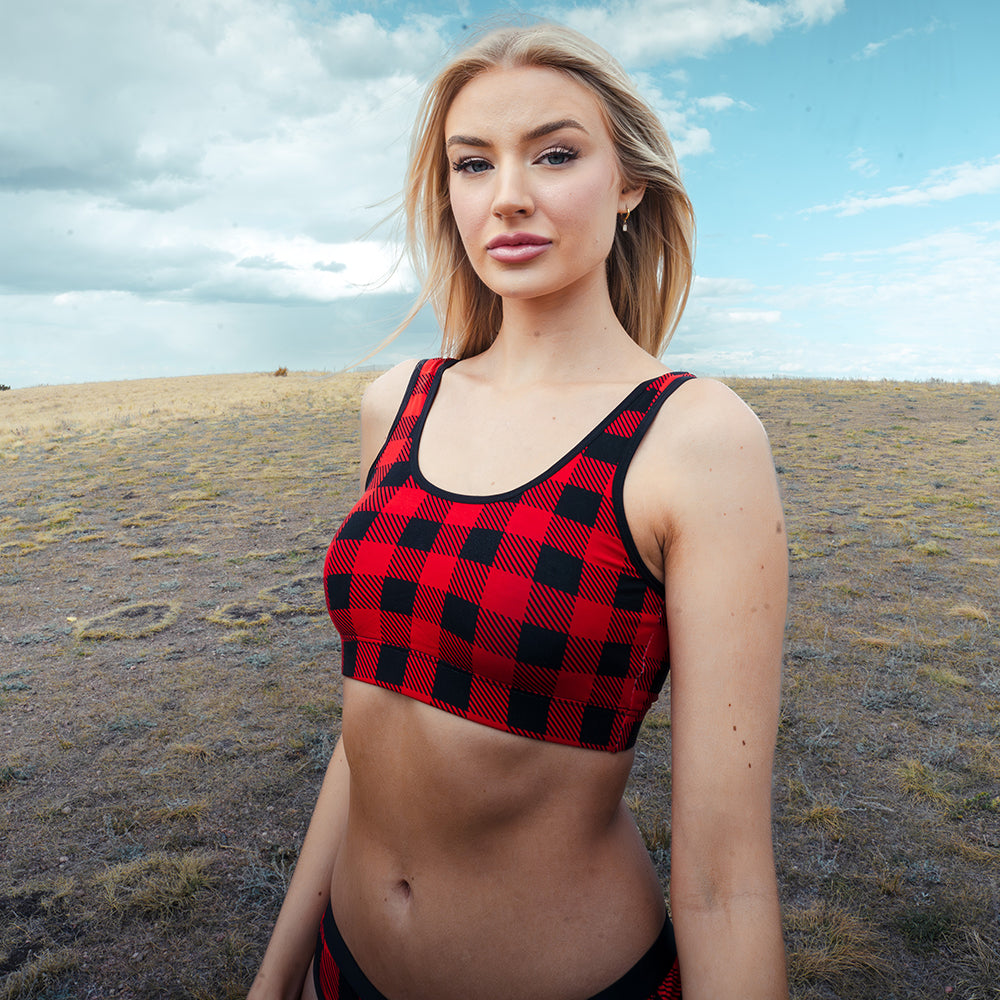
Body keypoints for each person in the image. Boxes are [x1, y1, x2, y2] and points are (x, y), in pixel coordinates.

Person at [248, 21, 788, 1000]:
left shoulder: (692, 438)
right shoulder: (396, 405)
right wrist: (276, 973)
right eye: (471, 163)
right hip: (347, 964)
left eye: (554, 154)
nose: (508, 195)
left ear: (628, 183)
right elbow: (371, 726)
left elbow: (724, 881)